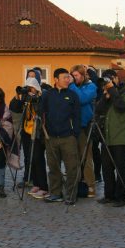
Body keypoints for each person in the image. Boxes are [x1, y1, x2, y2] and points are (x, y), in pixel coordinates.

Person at [40, 68, 81, 203]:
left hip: (68, 137)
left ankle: (71, 195)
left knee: (72, 168)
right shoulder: (47, 95)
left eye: (68, 77)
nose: (67, 80)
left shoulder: (72, 95)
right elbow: (42, 113)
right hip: (51, 137)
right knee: (53, 167)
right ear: (56, 79)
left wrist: (75, 133)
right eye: (64, 77)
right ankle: (56, 193)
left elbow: (76, 116)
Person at [94, 69, 125, 207]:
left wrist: (113, 91)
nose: (107, 84)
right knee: (107, 168)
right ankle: (109, 195)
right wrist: (105, 97)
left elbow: (122, 106)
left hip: (121, 136)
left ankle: (120, 197)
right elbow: (98, 110)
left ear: (116, 79)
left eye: (109, 80)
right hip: (107, 137)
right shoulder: (108, 94)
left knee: (120, 168)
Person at [10, 77, 49, 199]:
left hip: (37, 132)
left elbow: (41, 110)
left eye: (31, 88)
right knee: (29, 158)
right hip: (26, 132)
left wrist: (34, 99)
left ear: (36, 88)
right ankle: (36, 183)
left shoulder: (42, 97)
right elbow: (14, 108)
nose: (29, 90)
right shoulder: (25, 98)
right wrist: (18, 96)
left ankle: (44, 186)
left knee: (38, 158)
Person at [69, 65, 98, 197]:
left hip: (85, 126)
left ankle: (90, 185)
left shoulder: (91, 87)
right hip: (72, 125)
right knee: (73, 157)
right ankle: (76, 183)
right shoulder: (72, 87)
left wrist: (72, 85)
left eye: (76, 76)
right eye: (72, 76)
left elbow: (81, 99)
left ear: (83, 75)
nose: (74, 78)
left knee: (86, 157)